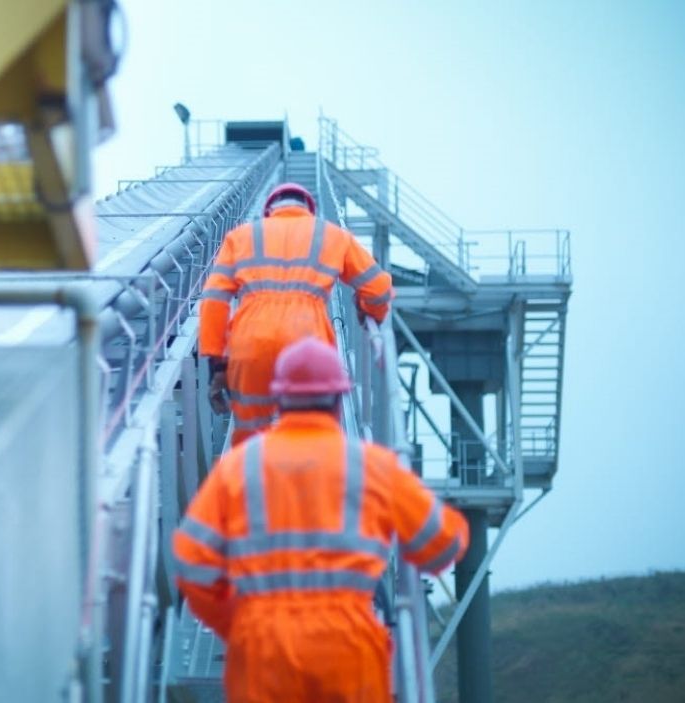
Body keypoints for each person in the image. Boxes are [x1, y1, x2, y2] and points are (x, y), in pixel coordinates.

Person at [173, 338, 468, 702]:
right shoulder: (373, 467)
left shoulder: (239, 466)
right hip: (347, 650)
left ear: (278, 400)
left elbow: (191, 563)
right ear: (338, 401)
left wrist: (236, 621)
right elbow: (443, 546)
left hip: (263, 650)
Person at [200, 183, 394, 445]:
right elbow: (380, 288)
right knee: (314, 436)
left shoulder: (241, 237)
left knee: (251, 442)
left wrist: (217, 363)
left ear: (269, 210)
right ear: (309, 210)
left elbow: (214, 300)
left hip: (251, 344)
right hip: (308, 343)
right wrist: (367, 309)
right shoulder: (332, 235)